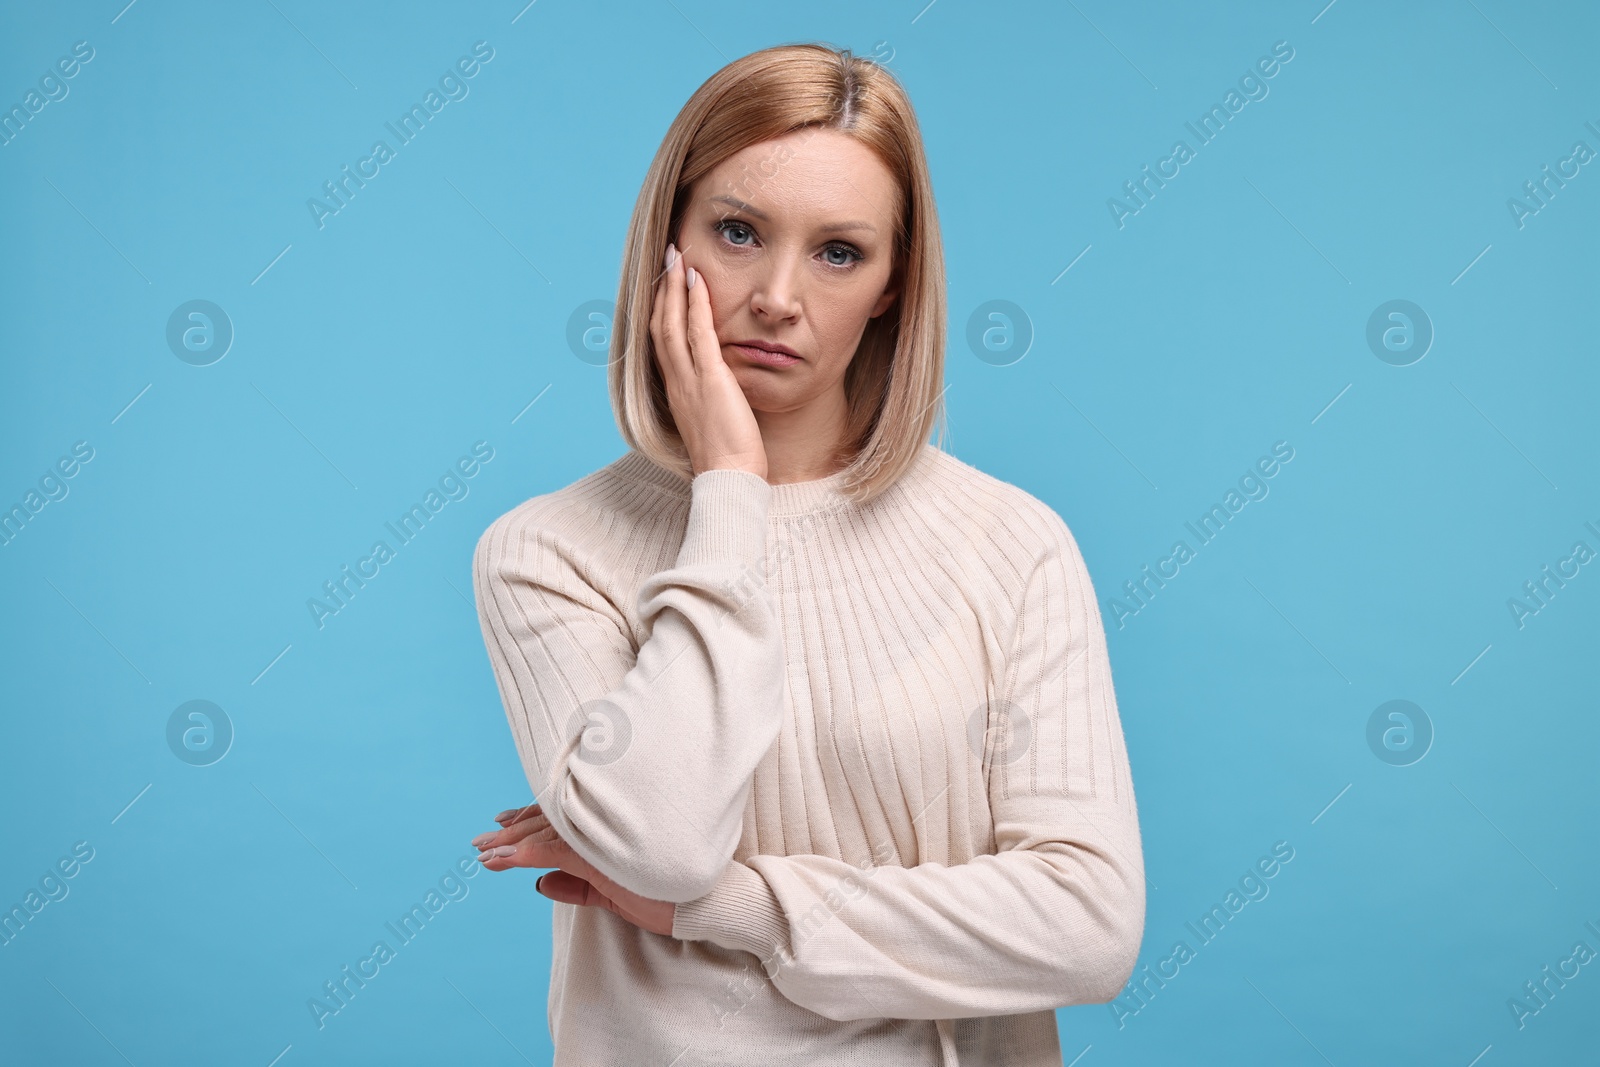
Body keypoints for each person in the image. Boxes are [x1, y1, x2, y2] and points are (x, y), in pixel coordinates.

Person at [468, 42, 1144, 1066]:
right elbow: (660, 841)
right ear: (667, 242)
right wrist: (729, 486)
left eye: (838, 251)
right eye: (737, 231)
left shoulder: (1012, 542)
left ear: (889, 285)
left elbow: (1088, 928)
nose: (777, 297)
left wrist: (724, 904)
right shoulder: (548, 553)